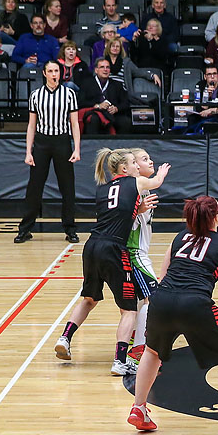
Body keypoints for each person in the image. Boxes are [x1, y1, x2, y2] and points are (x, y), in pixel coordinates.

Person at [126, 195, 218, 435]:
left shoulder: (177, 239)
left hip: (162, 300)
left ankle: (139, 408)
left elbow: (162, 277)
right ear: (216, 217)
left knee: (152, 352)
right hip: (195, 303)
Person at [52, 149, 168, 374]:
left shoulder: (102, 189)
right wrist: (161, 173)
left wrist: (137, 211)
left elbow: (116, 215)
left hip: (92, 245)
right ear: (125, 169)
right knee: (130, 310)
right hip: (115, 249)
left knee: (89, 299)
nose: (137, 166)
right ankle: (122, 360)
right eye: (135, 162)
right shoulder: (135, 184)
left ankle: (65, 338)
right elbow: (154, 182)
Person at [15, 61, 80, 244]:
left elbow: (74, 123)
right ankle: (25, 229)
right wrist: (28, 151)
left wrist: (77, 148)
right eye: (50, 71)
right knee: (34, 187)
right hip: (42, 143)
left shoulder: (69, 94)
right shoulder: (35, 95)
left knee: (67, 187)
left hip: (62, 141)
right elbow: (31, 125)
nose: (54, 74)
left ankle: (70, 229)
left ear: (60, 73)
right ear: (44, 73)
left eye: (56, 71)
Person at [122, 148, 161, 372]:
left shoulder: (140, 187)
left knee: (139, 302)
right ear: (134, 167)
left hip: (137, 251)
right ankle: (138, 351)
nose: (150, 161)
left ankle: (133, 339)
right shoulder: (134, 187)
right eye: (144, 159)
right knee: (152, 299)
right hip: (135, 252)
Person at [78, 58, 131, 134]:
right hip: (95, 113)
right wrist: (97, 106)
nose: (105, 70)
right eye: (102, 67)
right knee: (93, 119)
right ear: (96, 70)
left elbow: (126, 103)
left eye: (108, 67)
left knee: (125, 121)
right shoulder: (86, 83)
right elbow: (80, 102)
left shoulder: (117, 84)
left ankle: (121, 145)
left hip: (112, 115)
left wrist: (116, 108)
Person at [188, 64, 218, 131]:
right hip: (205, 115)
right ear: (205, 77)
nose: (212, 77)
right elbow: (199, 108)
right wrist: (207, 97)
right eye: (209, 74)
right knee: (192, 118)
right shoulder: (200, 86)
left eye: (214, 74)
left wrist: (211, 111)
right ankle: (195, 139)